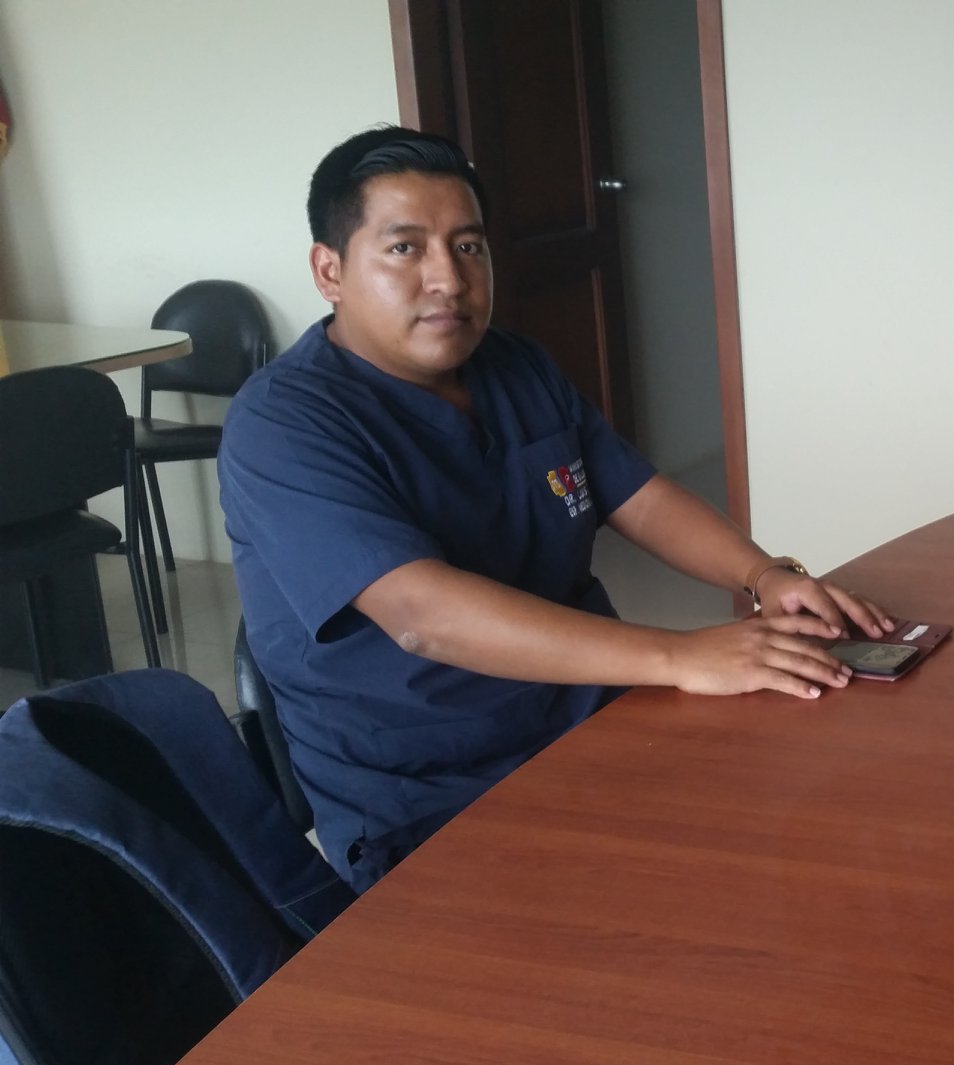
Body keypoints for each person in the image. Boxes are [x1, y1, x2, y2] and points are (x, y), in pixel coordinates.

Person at [221, 126, 890, 891]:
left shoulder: (517, 366)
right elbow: (421, 614)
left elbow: (639, 497)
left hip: (597, 722)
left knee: (820, 822)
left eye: (469, 247)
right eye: (405, 249)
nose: (449, 279)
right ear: (329, 270)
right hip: (434, 795)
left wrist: (764, 575)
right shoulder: (284, 422)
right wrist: (680, 656)